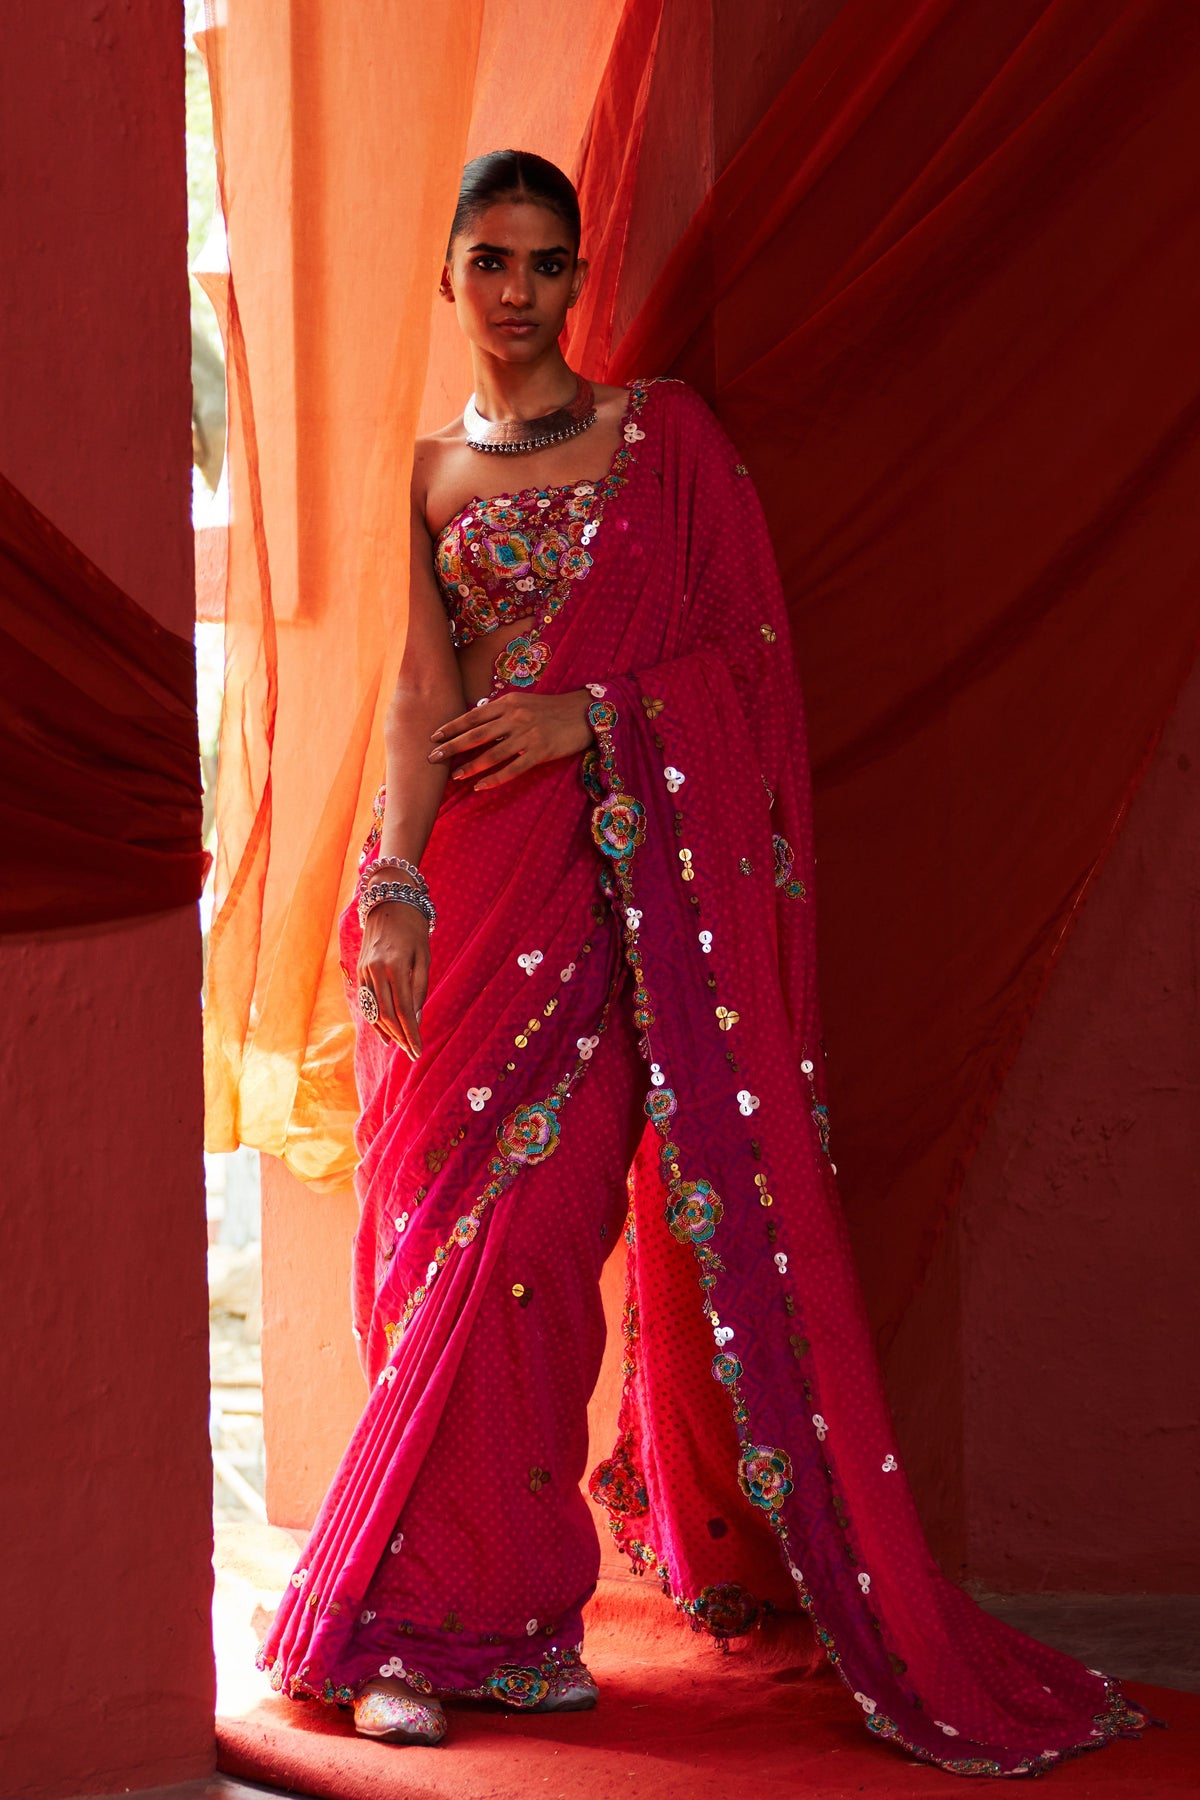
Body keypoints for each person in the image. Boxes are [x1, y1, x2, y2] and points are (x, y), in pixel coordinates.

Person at [257, 150, 1147, 1775]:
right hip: (464, 892)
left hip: (604, 899)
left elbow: (742, 661)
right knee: (431, 1242)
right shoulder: (431, 471)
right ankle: (433, 1623)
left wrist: (594, 714)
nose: (519, 294)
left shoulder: (663, 443)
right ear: (449, 276)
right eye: (490, 262)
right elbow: (409, 700)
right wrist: (390, 887)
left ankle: (477, 1621)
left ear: (575, 279)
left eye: (546, 264)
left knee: (529, 1238)